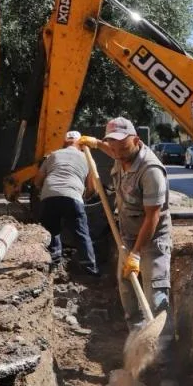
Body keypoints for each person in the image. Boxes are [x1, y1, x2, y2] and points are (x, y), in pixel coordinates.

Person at [96, 117, 171, 327]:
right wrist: (94, 143)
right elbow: (111, 150)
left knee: (155, 297)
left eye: (122, 147)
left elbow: (153, 216)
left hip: (152, 238)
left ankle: (161, 354)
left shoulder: (151, 171)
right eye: (113, 146)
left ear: (136, 140)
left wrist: (136, 253)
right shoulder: (121, 154)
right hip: (127, 235)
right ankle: (139, 346)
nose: (117, 153)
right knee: (128, 292)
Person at [37, 130, 99, 277]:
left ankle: (53, 261)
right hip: (73, 197)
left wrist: (46, 192)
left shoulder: (53, 155)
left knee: (51, 230)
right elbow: (93, 188)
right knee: (82, 233)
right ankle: (90, 268)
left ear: (64, 142)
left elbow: (38, 181)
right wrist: (84, 198)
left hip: (50, 195)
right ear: (81, 144)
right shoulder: (87, 158)